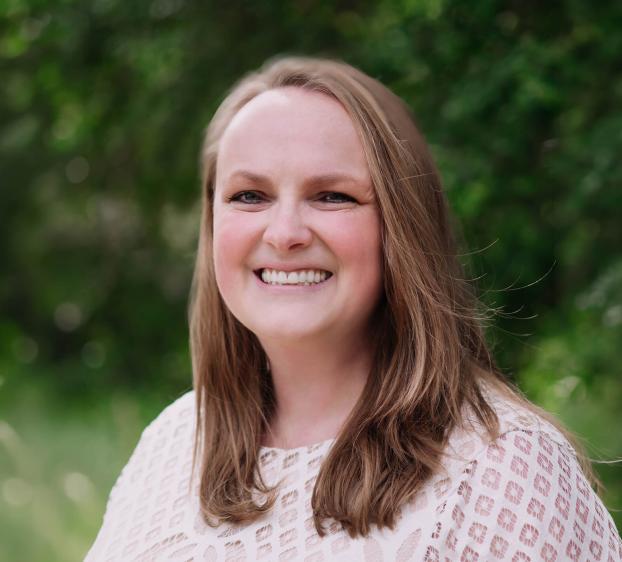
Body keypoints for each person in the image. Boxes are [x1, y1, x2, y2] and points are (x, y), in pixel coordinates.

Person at [85, 56, 622, 561]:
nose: (286, 233)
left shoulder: (505, 469)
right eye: (250, 196)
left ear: (401, 227)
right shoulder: (174, 441)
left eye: (332, 196)